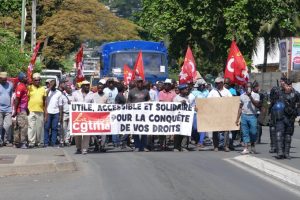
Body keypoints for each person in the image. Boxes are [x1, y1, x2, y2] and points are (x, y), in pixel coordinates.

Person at [271, 79, 300, 159]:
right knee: (279, 134)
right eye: (287, 86)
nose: (288, 88)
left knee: (288, 135)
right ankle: (279, 152)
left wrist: (297, 113)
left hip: (291, 117)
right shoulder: (279, 93)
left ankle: (286, 153)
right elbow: (273, 104)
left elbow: (299, 106)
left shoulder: (296, 94)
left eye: (290, 86)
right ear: (284, 86)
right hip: (281, 116)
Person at [207, 77, 232, 152]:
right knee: (215, 130)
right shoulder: (212, 92)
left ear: (222, 83)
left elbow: (231, 101)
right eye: (216, 83)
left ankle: (226, 146)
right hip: (215, 114)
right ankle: (216, 146)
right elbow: (207, 101)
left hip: (224, 114)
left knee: (226, 130)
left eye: (218, 83)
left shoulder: (227, 92)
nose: (217, 84)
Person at [236, 82, 261, 155]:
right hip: (244, 116)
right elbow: (240, 107)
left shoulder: (256, 95)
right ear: (244, 88)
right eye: (246, 87)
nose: (248, 88)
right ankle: (246, 148)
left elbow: (257, 104)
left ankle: (252, 146)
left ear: (252, 88)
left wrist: (250, 96)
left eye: (249, 87)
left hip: (253, 115)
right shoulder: (242, 96)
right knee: (245, 132)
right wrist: (237, 119)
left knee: (253, 132)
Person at [128, 76, 150, 152]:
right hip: (134, 114)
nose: (140, 83)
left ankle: (143, 146)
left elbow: (148, 101)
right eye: (138, 81)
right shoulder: (131, 91)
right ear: (136, 82)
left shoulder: (146, 91)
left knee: (144, 130)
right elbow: (129, 102)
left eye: (141, 81)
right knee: (135, 130)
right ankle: (137, 146)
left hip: (144, 114)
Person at [73, 80, 94, 154]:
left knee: (86, 133)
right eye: (86, 85)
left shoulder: (91, 94)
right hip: (77, 116)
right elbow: (73, 104)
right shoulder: (75, 93)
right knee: (77, 133)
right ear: (82, 86)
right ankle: (78, 147)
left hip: (87, 116)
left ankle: (85, 148)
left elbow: (93, 105)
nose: (87, 87)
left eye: (88, 85)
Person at [27, 73, 46, 148]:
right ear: (33, 81)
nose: (37, 81)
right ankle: (31, 142)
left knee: (39, 128)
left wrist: (45, 112)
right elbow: (27, 99)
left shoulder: (42, 89)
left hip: (40, 110)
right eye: (35, 80)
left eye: (38, 80)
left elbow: (44, 101)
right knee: (31, 127)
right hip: (31, 110)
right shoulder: (29, 88)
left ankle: (39, 143)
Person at [173, 84, 193, 152]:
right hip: (178, 118)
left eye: (187, 89)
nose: (187, 90)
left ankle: (183, 146)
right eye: (185, 89)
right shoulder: (176, 98)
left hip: (185, 118)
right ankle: (176, 147)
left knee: (185, 133)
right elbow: (173, 107)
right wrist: (180, 103)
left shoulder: (187, 98)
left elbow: (190, 107)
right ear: (181, 90)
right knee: (177, 133)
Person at [268, 77, 287, 153]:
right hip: (275, 111)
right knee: (272, 128)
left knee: (284, 130)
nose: (282, 83)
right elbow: (271, 100)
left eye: (283, 81)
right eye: (281, 81)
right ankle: (273, 146)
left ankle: (282, 147)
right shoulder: (275, 89)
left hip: (285, 112)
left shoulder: (289, 91)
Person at [158, 78, 176, 150]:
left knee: (168, 129)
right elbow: (161, 102)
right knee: (161, 130)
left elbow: (175, 103)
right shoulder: (161, 93)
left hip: (170, 114)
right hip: (162, 114)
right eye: (165, 85)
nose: (166, 86)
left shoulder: (173, 93)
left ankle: (166, 143)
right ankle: (162, 144)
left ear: (170, 85)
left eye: (168, 85)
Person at [191, 78, 209, 150]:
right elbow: (190, 102)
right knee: (195, 127)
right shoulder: (194, 93)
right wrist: (193, 107)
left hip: (204, 112)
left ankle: (201, 142)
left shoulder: (207, 92)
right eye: (201, 85)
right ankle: (195, 139)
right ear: (198, 86)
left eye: (203, 85)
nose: (202, 86)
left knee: (203, 127)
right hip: (195, 112)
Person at [13, 72, 29, 149]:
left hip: (23, 109)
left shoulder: (24, 86)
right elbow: (17, 99)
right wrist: (16, 111)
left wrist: (27, 108)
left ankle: (16, 143)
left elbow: (24, 99)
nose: (27, 78)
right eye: (26, 77)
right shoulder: (20, 87)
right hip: (20, 110)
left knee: (18, 126)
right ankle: (22, 143)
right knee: (23, 126)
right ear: (22, 79)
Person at [91, 79, 108, 152]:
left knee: (103, 132)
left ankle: (102, 146)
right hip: (95, 116)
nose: (100, 89)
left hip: (104, 117)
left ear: (103, 88)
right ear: (97, 89)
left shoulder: (106, 96)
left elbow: (108, 106)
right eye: (99, 88)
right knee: (94, 132)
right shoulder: (94, 96)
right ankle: (96, 145)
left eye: (101, 88)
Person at [44, 79, 62, 147]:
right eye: (51, 84)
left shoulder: (59, 93)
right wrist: (50, 87)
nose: (53, 85)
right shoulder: (47, 91)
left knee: (54, 128)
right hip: (48, 112)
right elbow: (45, 95)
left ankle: (53, 142)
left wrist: (60, 115)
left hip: (56, 112)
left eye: (54, 84)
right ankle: (46, 142)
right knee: (47, 127)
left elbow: (60, 104)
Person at [103, 78, 119, 147]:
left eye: (112, 82)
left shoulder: (116, 89)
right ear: (107, 84)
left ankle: (115, 141)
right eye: (110, 83)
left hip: (115, 110)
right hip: (107, 110)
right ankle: (105, 140)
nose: (111, 84)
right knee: (107, 125)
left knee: (115, 125)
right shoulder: (105, 90)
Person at [59, 83, 74, 147]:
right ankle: (62, 141)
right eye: (69, 88)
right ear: (66, 89)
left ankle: (67, 140)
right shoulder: (62, 96)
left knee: (69, 129)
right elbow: (60, 106)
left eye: (71, 88)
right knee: (63, 128)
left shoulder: (73, 96)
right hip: (64, 113)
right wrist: (61, 115)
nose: (70, 89)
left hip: (71, 114)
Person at [0, 72, 13, 146]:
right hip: (0, 109)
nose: (5, 81)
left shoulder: (10, 84)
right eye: (3, 79)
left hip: (8, 109)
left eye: (5, 79)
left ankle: (6, 140)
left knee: (8, 125)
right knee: (0, 125)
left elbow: (11, 95)